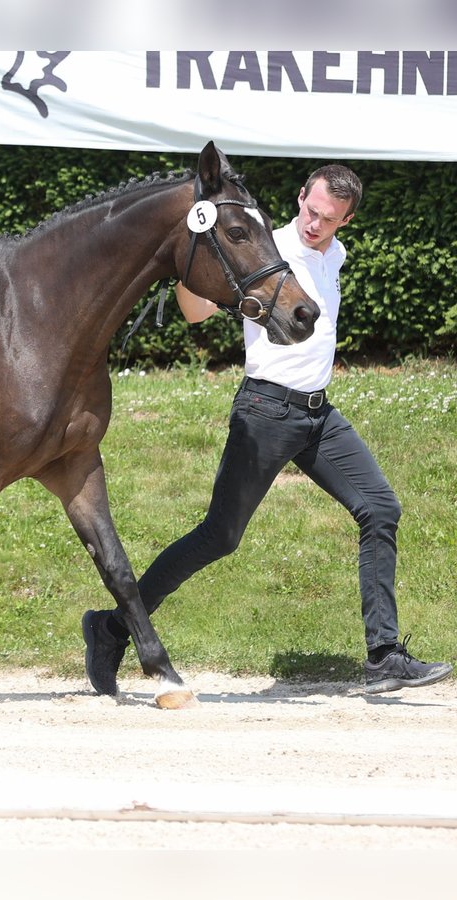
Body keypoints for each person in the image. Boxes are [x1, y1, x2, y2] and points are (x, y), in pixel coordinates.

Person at [82, 164, 452, 697]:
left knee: (380, 508)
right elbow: (196, 312)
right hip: (266, 411)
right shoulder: (266, 250)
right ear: (301, 196)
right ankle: (113, 628)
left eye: (327, 219)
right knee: (219, 536)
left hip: (318, 416)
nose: (313, 224)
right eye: (310, 209)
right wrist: (186, 275)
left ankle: (384, 655)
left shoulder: (335, 255)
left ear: (344, 221)